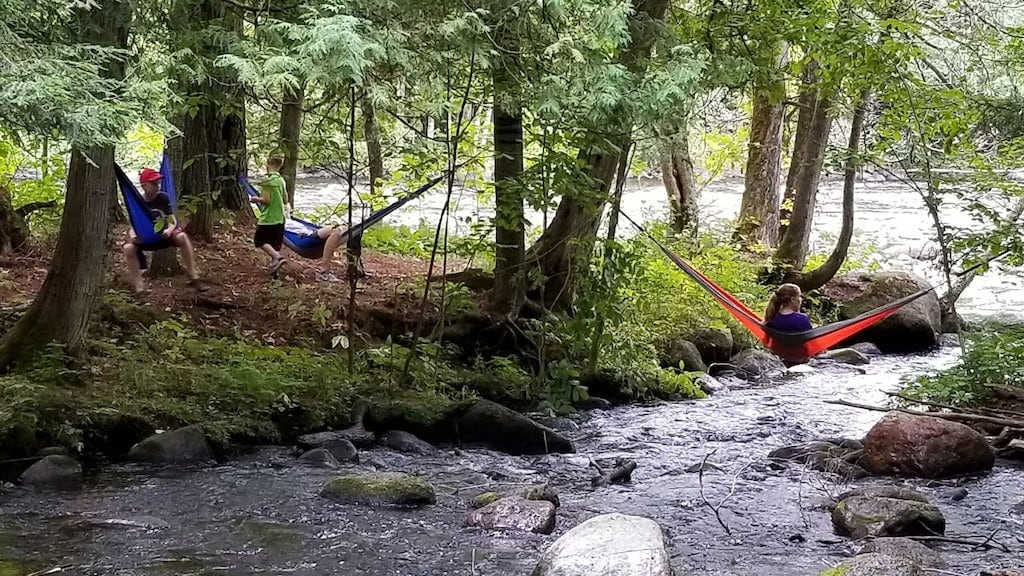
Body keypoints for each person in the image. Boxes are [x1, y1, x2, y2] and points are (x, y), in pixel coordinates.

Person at [121, 167, 205, 293]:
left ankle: (194, 276)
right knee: (128, 249)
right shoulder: (139, 203)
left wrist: (169, 231)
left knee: (182, 237)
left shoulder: (164, 198)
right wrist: (133, 237)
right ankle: (139, 287)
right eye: (153, 183)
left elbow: (173, 220)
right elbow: (133, 226)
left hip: (164, 236)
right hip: (146, 239)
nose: (157, 185)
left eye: (158, 182)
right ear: (144, 186)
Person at [251, 155, 288, 275]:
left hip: (268, 218)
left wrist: (256, 199)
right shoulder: (281, 180)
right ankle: (275, 271)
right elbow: (285, 198)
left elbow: (266, 200)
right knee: (274, 244)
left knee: (259, 240)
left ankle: (277, 257)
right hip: (280, 218)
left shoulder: (267, 180)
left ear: (268, 164)